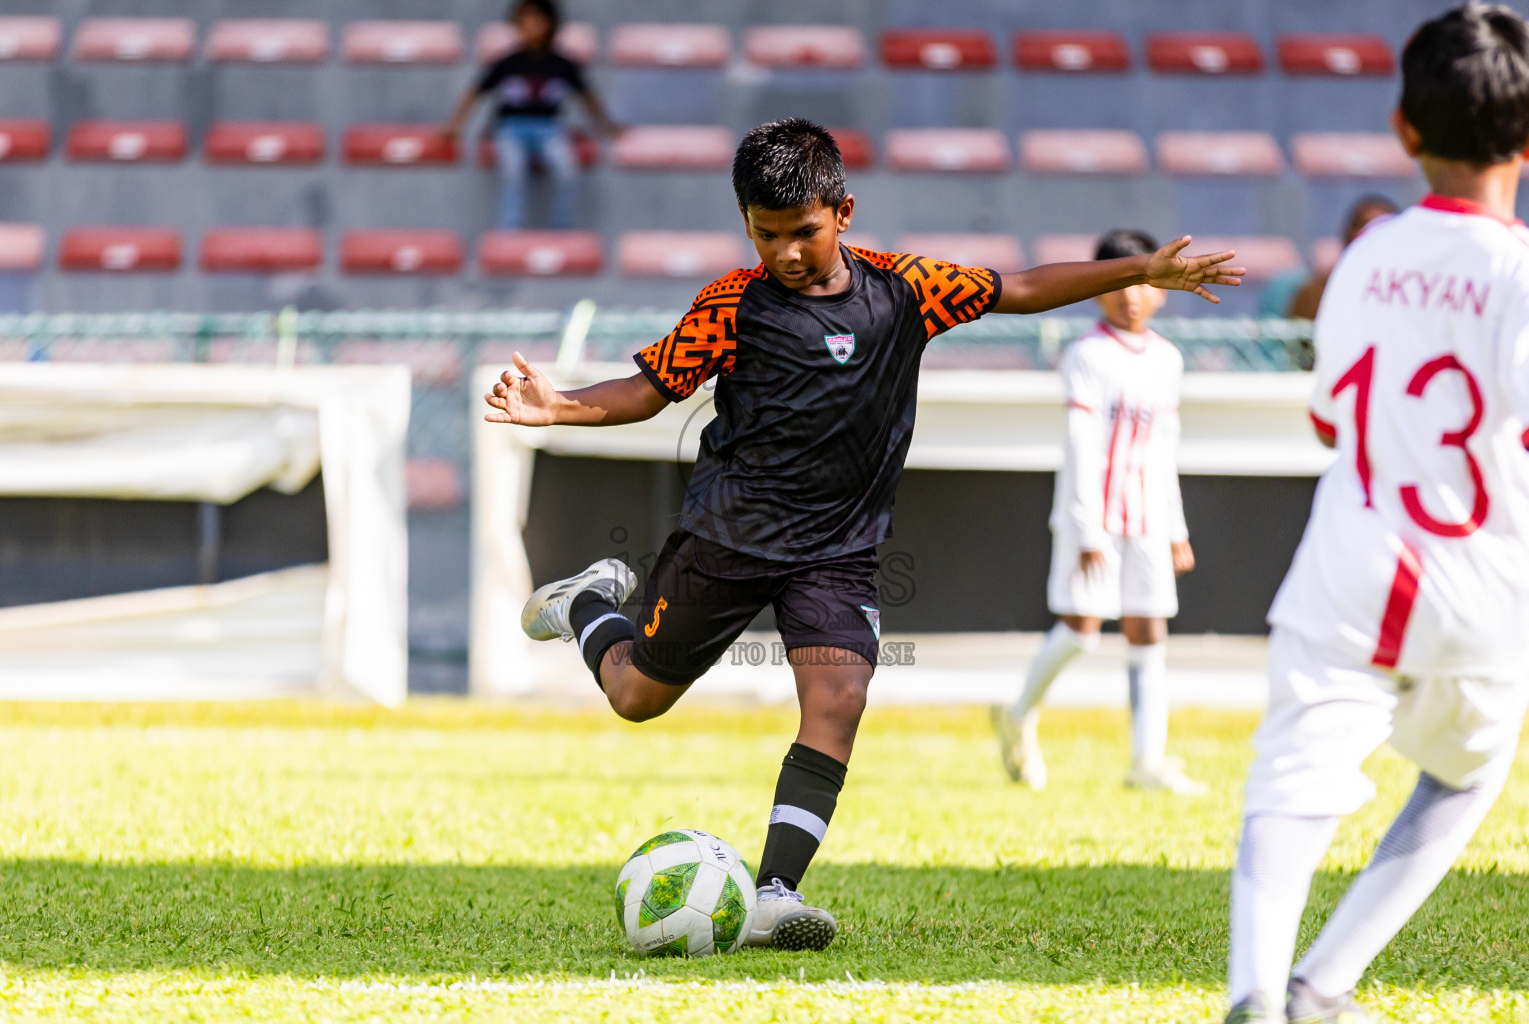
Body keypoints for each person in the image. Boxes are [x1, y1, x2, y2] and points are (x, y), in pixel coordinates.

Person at [486, 118, 1242, 952]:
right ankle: (589, 602)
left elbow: (1021, 287)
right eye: (765, 234)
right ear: (746, 225)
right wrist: (556, 406)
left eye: (802, 232)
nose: (786, 253)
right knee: (636, 699)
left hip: (839, 554)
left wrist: (1143, 268)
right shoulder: (732, 304)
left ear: (842, 212)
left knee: (838, 703)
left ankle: (773, 891)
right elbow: (651, 387)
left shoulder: (907, 288)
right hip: (727, 539)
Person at [1225, 6, 1529, 1022]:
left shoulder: (1362, 257)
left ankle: (1258, 991)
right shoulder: (1519, 271)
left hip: (1350, 560)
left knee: (1289, 778)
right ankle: (1327, 982)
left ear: (1404, 127)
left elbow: (1328, 422)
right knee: (1465, 777)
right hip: (1481, 575)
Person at [994, 229, 1202, 795]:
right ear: (1098, 290)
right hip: (1096, 518)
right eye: (1119, 282)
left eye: (1141, 282)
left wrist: (1175, 528)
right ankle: (1017, 713)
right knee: (1083, 628)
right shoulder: (1086, 355)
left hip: (1148, 519)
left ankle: (1147, 762)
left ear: (1160, 290)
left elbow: (1165, 445)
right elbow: (1082, 445)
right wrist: (1087, 529)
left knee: (1149, 630)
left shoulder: (1167, 359)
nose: (1131, 295)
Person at [442, 0, 618, 229]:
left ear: (551, 24)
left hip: (549, 128)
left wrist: (608, 125)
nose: (531, 27)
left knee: (566, 171)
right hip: (511, 128)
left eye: (538, 20)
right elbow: (474, 93)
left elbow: (588, 97)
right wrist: (455, 127)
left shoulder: (562, 63)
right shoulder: (507, 62)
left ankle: (562, 231)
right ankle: (510, 231)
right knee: (513, 172)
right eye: (525, 20)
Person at [1284, 195, 1401, 319]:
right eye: (1364, 226)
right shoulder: (1315, 294)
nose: (1373, 235)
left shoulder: (1411, 295)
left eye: (1384, 228)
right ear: (1348, 234)